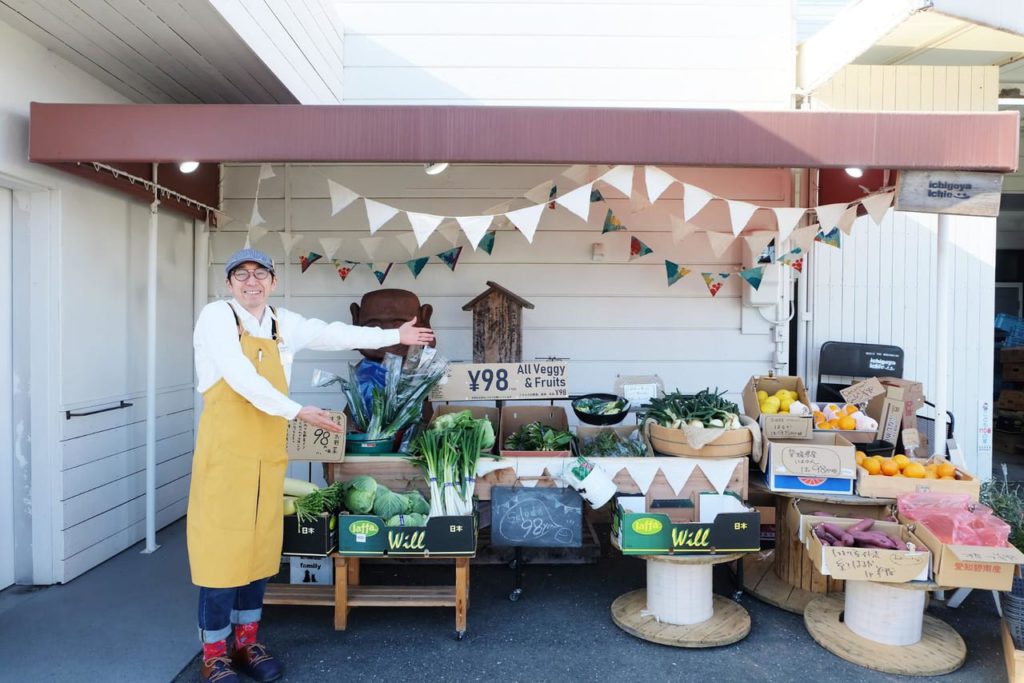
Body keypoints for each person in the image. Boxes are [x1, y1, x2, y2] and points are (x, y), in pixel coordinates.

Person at [188, 248, 434, 683]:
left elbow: (333, 333)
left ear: (272, 281)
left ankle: (247, 644)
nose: (251, 282)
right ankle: (214, 654)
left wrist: (394, 334)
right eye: (241, 275)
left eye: (259, 274)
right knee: (221, 557)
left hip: (266, 457)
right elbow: (238, 376)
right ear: (229, 284)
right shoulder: (217, 317)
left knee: (260, 554)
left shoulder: (282, 323)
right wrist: (297, 410)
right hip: (226, 457)